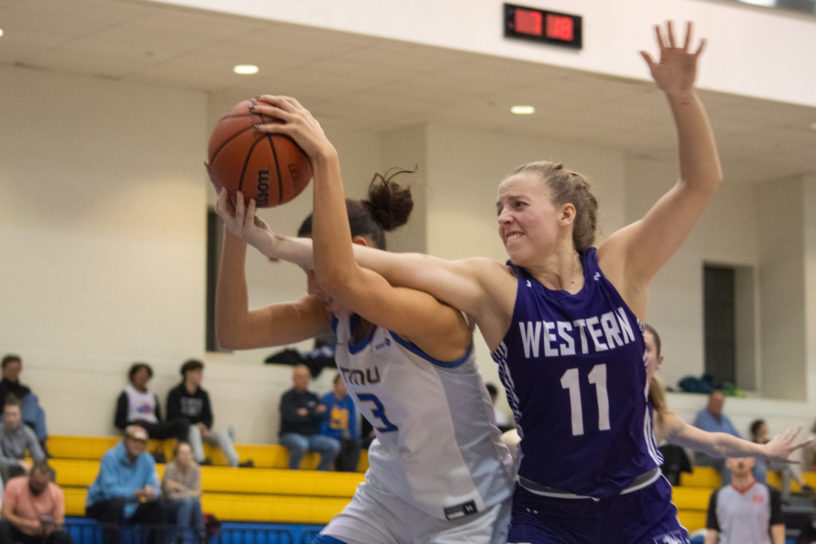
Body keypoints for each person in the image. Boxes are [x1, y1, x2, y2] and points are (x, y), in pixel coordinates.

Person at [232, 20, 719, 543]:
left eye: (518, 204)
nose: (504, 217)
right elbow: (378, 265)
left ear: (565, 215)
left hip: (638, 505)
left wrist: (682, 97)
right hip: (548, 514)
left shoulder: (621, 267)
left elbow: (699, 183)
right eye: (498, 208)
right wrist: (277, 245)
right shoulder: (495, 287)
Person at [213, 163, 515, 540]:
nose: (311, 289)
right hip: (387, 500)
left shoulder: (428, 314)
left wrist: (323, 157)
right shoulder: (333, 314)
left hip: (471, 509)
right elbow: (234, 332)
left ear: (357, 252)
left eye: (312, 269)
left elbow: (344, 279)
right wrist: (235, 229)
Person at [644, 324, 809, 485]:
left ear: (659, 361)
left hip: (645, 504)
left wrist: (765, 450)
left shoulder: (663, 420)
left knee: (749, 463)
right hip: (625, 498)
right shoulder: (702, 416)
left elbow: (718, 443)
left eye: (646, 348)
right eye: (635, 348)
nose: (639, 354)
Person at [85, 425, 167, 544]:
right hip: (101, 504)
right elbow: (109, 492)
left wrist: (152, 492)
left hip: (130, 507)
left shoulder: (148, 459)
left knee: (158, 506)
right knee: (116, 505)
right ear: (125, 441)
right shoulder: (110, 457)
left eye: (142, 442)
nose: (137, 444)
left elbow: (155, 487)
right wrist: (137, 493)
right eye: (134, 440)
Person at [166, 359, 250, 468]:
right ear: (188, 373)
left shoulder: (203, 394)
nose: (201, 376)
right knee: (194, 430)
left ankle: (235, 462)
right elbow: (172, 416)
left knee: (221, 433)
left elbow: (209, 416)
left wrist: (205, 427)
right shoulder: (175, 393)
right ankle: (199, 460)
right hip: (186, 430)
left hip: (202, 430)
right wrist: (194, 425)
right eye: (198, 372)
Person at [704, 456, 785, 544]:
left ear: (753, 461)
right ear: (727, 462)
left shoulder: (770, 493)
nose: (740, 460)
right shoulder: (718, 495)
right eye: (736, 457)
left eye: (745, 456)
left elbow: (778, 532)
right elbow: (712, 533)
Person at [277, 365, 340, 471]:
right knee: (301, 444)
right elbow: (291, 418)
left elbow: (324, 416)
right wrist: (313, 412)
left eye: (307, 377)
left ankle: (320, 476)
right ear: (294, 378)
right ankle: (293, 475)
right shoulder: (287, 397)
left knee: (334, 445)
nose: (305, 380)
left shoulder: (313, 396)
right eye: (301, 377)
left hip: (312, 436)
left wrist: (305, 413)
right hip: (290, 435)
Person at [0, 460, 73, 544]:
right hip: (18, 530)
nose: (39, 487)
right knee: (3, 528)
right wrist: (28, 524)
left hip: (42, 533)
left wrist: (51, 527)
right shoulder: (14, 485)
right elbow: (5, 514)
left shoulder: (57, 492)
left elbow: (59, 521)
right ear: (29, 476)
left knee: (62, 537)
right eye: (36, 483)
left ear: (48, 481)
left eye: (43, 484)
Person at [114, 362, 189, 442]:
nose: (143, 376)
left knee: (183, 422)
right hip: (137, 427)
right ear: (133, 375)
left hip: (154, 428)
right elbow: (119, 422)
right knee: (142, 423)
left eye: (146, 374)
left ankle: (183, 449)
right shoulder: (127, 394)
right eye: (140, 373)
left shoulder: (152, 396)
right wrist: (135, 423)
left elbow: (158, 418)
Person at [0, 354, 49, 455]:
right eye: (11, 369)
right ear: (4, 369)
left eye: (17, 369)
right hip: (5, 418)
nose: (14, 372)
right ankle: (30, 429)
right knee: (31, 400)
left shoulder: (24, 389)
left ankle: (39, 442)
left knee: (39, 410)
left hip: (21, 418)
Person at [161, 442, 206, 544]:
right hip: (169, 507)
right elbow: (170, 496)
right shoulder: (169, 468)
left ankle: (201, 537)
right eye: (182, 453)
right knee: (188, 502)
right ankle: (181, 537)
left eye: (188, 453)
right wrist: (191, 493)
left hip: (187, 506)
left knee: (194, 502)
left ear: (192, 455)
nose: (186, 456)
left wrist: (179, 487)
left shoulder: (196, 469)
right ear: (176, 456)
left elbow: (198, 493)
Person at [692, 389, 741, 478]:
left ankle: (758, 491)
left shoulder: (725, 418)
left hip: (726, 453)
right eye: (716, 401)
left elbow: (738, 438)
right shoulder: (702, 417)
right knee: (729, 461)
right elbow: (712, 442)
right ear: (709, 400)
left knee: (755, 462)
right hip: (705, 457)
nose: (719, 404)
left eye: (721, 402)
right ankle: (729, 491)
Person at [320, 373, 361, 472]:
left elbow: (352, 421)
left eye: (347, 384)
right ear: (335, 385)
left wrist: (355, 437)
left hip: (342, 435)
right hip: (330, 435)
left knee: (356, 443)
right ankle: (341, 472)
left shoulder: (349, 400)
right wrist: (324, 435)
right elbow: (322, 421)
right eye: (342, 383)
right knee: (341, 444)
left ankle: (350, 472)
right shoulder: (327, 399)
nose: (345, 386)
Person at [0, 397, 45, 483]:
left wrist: (37, 469)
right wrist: (18, 463)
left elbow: (39, 457)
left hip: (19, 471)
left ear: (21, 415)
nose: (11, 419)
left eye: (14, 414)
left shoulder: (27, 432)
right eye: (8, 414)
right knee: (2, 466)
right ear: (3, 415)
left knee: (46, 471)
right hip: (2, 472)